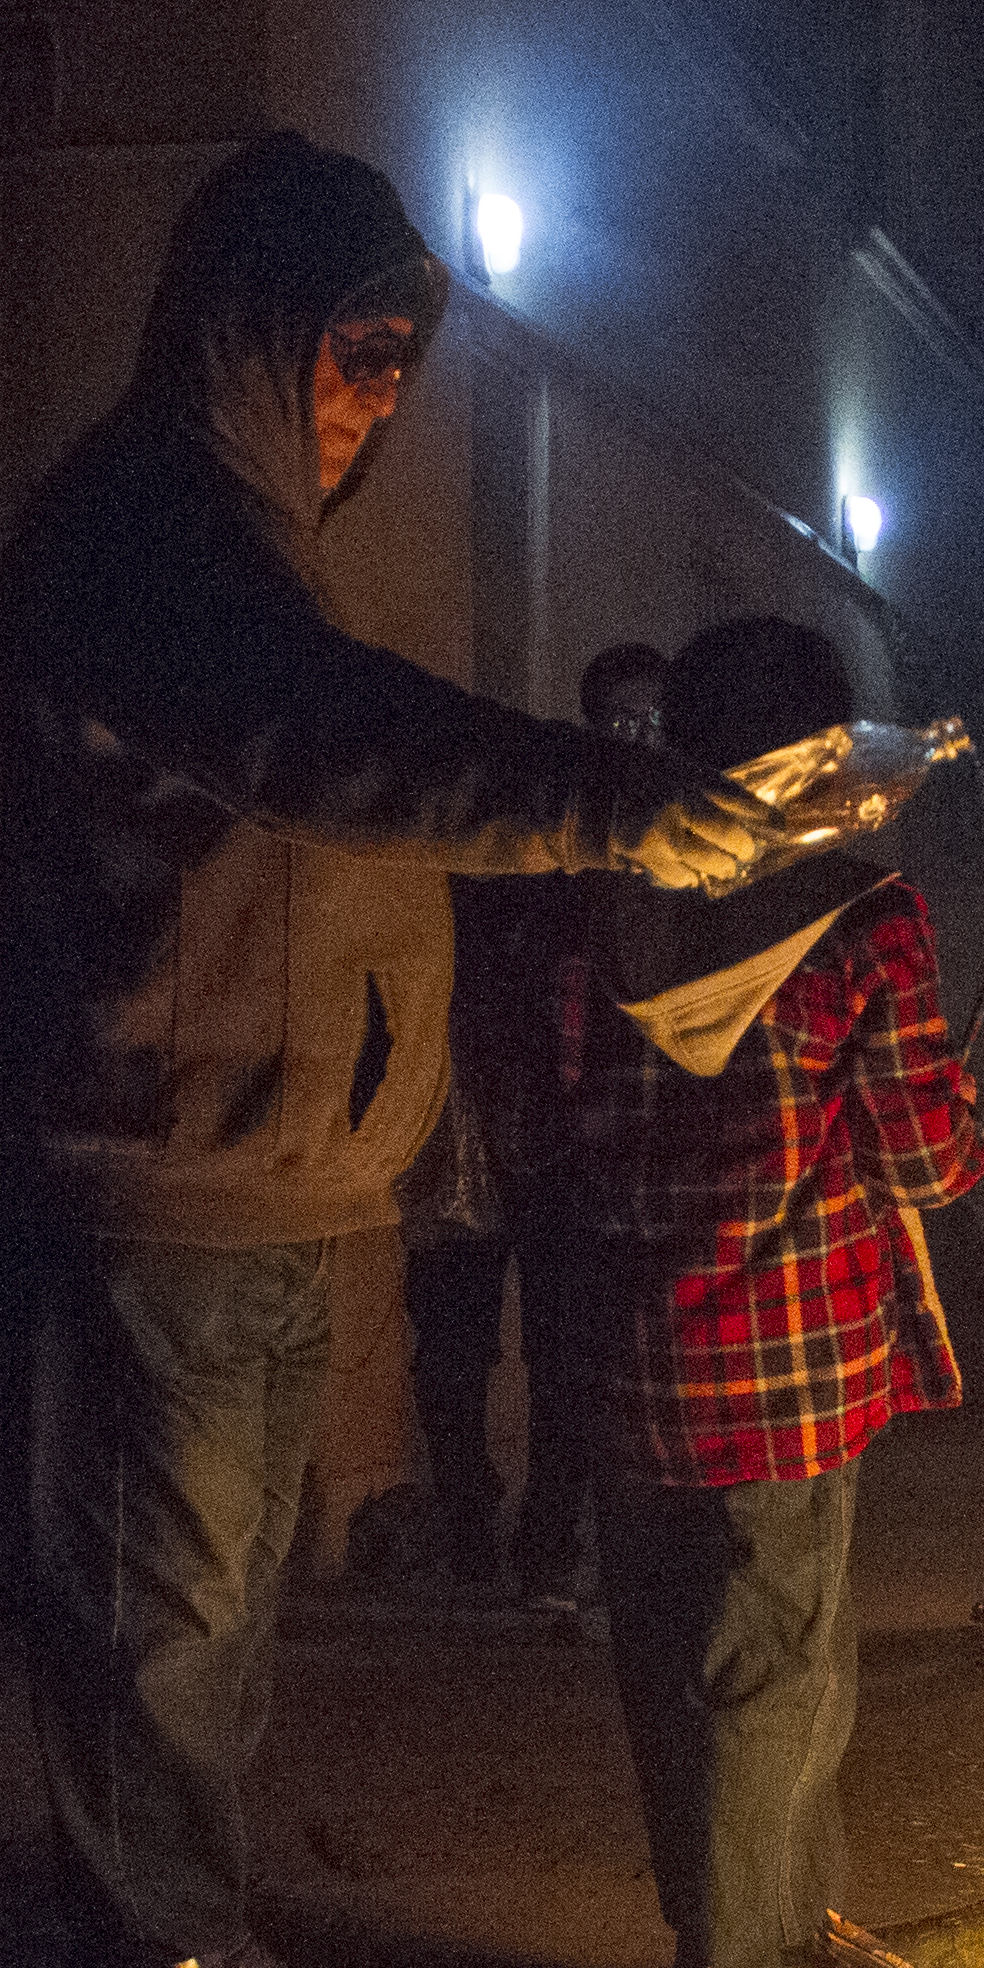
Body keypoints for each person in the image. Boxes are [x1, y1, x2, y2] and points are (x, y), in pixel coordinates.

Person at [0, 133, 783, 1968]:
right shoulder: (149, 537)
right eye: (347, 356)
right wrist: (599, 799)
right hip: (151, 1163)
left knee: (218, 1612)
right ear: (245, 335)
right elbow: (320, 735)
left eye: (399, 367)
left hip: (261, 1170)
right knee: (156, 1608)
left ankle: (198, 1939)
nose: (372, 405)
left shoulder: (242, 545)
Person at [536, 615, 984, 1968]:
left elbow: (543, 1115)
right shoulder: (864, 919)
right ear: (820, 758)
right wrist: (961, 1129)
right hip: (790, 1362)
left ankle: (756, 1938)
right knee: (774, 1674)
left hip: (628, 1350)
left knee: (669, 1666)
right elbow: (923, 1160)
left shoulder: (605, 907)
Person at [389, 640, 670, 1611]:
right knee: (456, 1343)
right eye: (621, 718)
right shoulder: (532, 826)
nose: (637, 735)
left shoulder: (662, 853)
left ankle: (548, 1547)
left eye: (652, 718)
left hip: (577, 1138)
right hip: (472, 1113)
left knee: (568, 1355)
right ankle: (469, 1523)